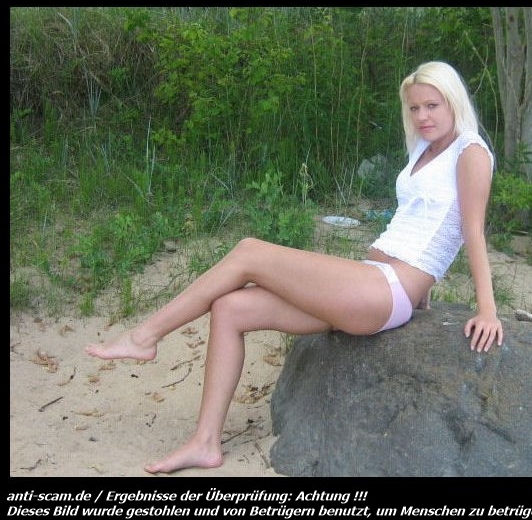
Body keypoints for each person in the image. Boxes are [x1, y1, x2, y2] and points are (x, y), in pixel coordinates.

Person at [85, 61, 504, 474]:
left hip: (385, 290)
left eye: (432, 105)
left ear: (453, 102)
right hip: (369, 284)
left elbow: (471, 231)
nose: (422, 116)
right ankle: (205, 442)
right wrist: (425, 295)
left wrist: (486, 309)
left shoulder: (470, 151)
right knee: (231, 308)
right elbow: (424, 221)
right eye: (414, 108)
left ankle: (144, 336)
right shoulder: (424, 150)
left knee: (249, 252)